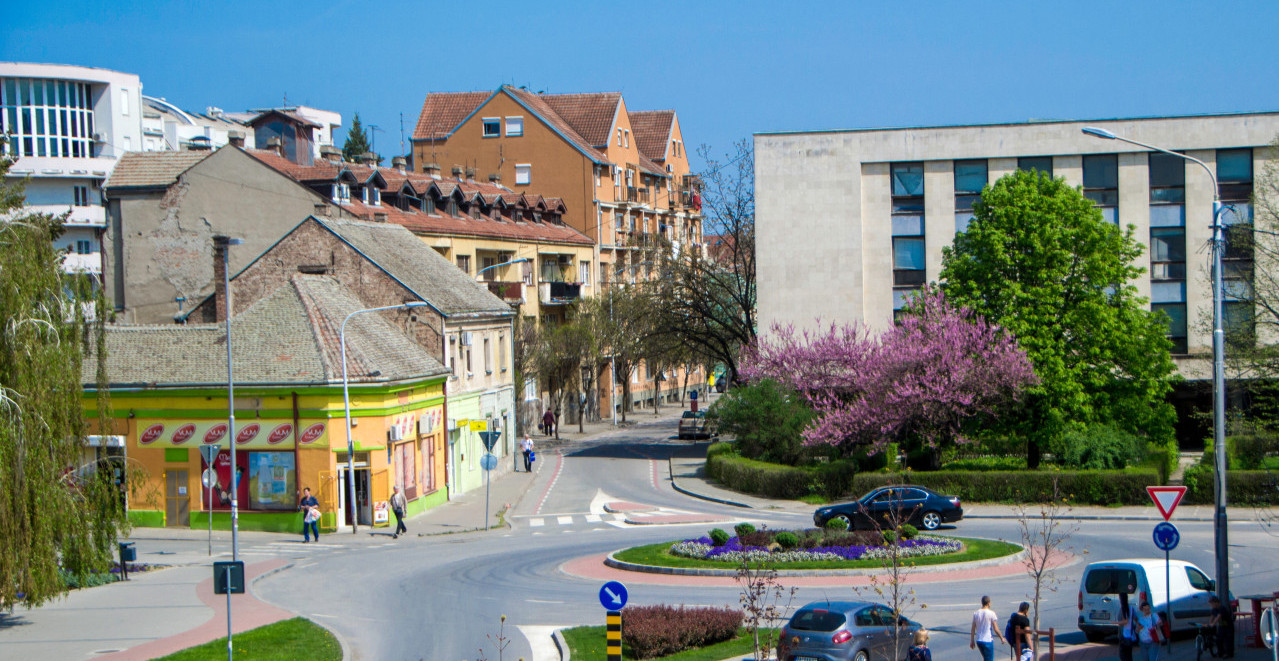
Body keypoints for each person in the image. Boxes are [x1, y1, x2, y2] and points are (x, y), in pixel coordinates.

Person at [971, 595, 1004, 661]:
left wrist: (972, 641)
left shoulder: (976, 613)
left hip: (979, 640)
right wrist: (1001, 638)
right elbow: (996, 629)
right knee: (989, 659)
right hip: (987, 640)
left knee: (986, 658)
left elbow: (973, 629)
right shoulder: (991, 613)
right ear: (989, 603)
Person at [1117, 591, 1137, 661]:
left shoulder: (1121, 610)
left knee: (1123, 656)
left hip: (1123, 636)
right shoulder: (1131, 609)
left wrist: (1115, 622)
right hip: (1130, 636)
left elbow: (1122, 623)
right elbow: (1135, 619)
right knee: (1129, 655)